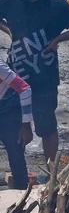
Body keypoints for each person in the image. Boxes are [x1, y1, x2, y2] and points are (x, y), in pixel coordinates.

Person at [0, 0, 69, 167]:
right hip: (16, 75)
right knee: (15, 124)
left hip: (44, 78)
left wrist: (59, 39)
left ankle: (52, 173)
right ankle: (20, 172)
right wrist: (8, 31)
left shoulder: (55, 6)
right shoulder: (9, 1)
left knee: (46, 127)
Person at [0, 61, 33, 189]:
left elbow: (24, 89)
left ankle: (21, 194)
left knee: (15, 153)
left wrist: (26, 125)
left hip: (9, 109)